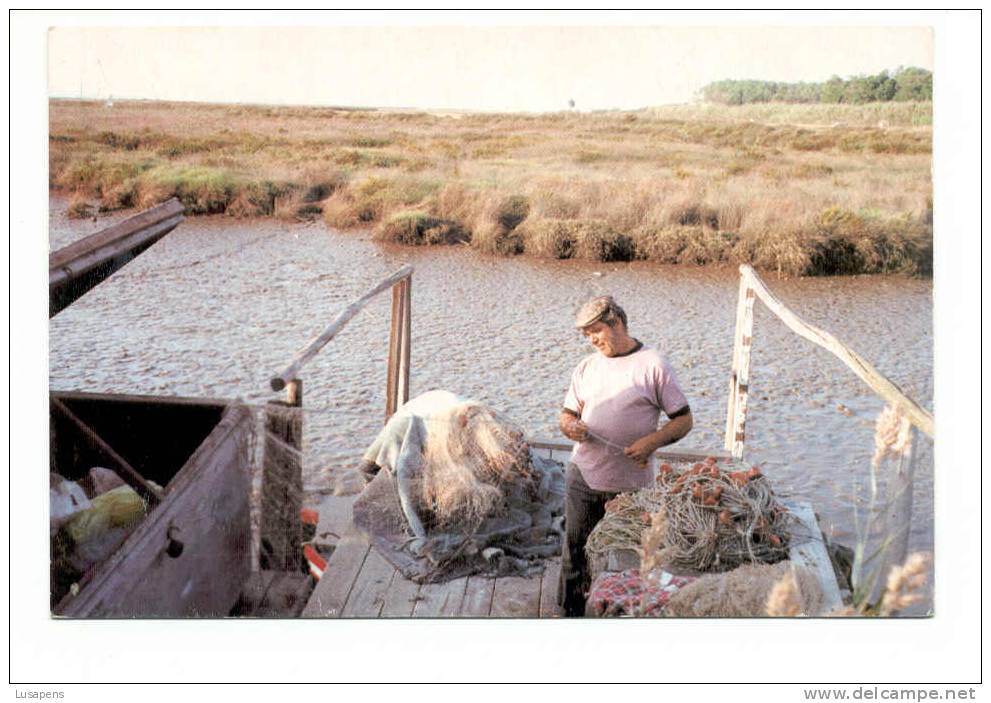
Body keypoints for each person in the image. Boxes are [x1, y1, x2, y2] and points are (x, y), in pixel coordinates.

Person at [558, 295, 693, 616]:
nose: (591, 340)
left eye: (596, 331)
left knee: (630, 558)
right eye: (585, 334)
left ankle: (622, 618)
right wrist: (570, 426)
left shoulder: (653, 364)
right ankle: (569, 616)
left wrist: (652, 442)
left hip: (632, 486)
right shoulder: (587, 366)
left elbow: (684, 419)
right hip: (584, 477)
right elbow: (565, 416)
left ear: (617, 323)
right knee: (574, 554)